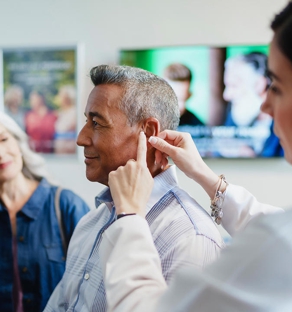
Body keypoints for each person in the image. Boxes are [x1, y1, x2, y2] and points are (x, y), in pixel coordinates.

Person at [98, 0, 292, 310]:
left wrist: (129, 216)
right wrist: (206, 177)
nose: (267, 106)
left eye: (276, 86)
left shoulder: (281, 244)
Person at [45, 64, 227, 311]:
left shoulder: (190, 237)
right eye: (87, 121)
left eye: (97, 123)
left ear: (148, 132)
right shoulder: (92, 221)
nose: (81, 138)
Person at [0, 112, 90, 312]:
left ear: (18, 143)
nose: (0, 152)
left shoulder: (66, 205)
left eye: (4, 139)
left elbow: (94, 285)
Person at [54, 85, 77, 154]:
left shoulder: (74, 112)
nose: (60, 99)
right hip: (59, 151)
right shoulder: (60, 113)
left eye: (61, 96)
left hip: (69, 151)